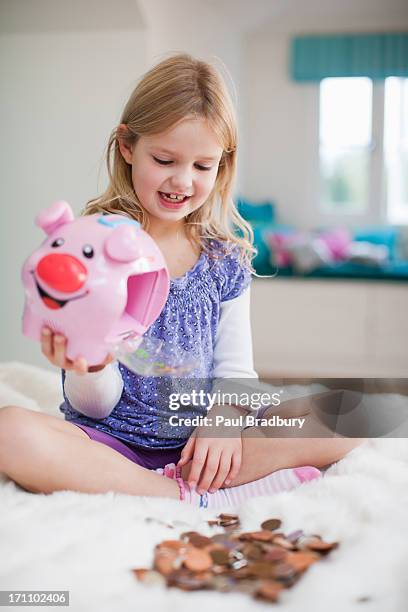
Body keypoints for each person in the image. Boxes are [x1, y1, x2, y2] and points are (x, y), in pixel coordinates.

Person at [0, 54, 360, 508]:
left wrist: (223, 422)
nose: (182, 180)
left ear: (221, 166)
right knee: (9, 431)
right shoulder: (92, 245)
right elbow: (95, 406)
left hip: (204, 446)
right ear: (128, 147)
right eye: (165, 159)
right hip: (111, 447)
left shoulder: (224, 259)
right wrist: (83, 364)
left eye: (202, 166)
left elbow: (235, 372)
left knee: (359, 411)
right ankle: (178, 496)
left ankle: (202, 479)